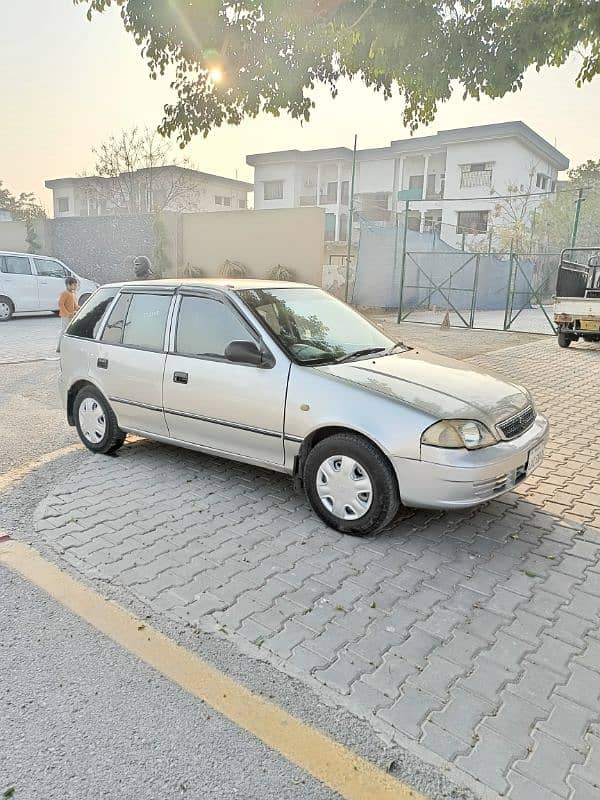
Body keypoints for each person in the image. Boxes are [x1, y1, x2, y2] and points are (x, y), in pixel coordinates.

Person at [57, 276, 80, 351]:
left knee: (70, 331)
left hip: (72, 315)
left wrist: (80, 308)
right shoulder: (65, 293)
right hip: (65, 316)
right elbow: (61, 304)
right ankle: (60, 347)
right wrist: (67, 313)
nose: (75, 286)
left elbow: (75, 305)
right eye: (74, 285)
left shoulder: (73, 294)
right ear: (68, 285)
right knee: (64, 331)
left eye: (76, 284)